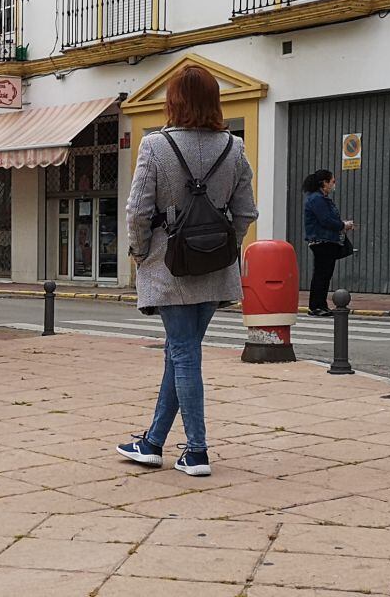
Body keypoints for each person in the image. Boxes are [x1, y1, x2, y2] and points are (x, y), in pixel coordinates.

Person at [118, 66, 257, 477]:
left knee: (183, 353)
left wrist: (140, 253)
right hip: (214, 267)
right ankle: (153, 442)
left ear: (174, 101)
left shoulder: (154, 146)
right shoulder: (234, 147)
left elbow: (138, 210)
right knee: (181, 352)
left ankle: (197, 451)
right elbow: (246, 211)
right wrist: (219, 244)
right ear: (215, 101)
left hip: (168, 265)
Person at [302, 169, 355, 317]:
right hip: (322, 241)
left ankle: (320, 305)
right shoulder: (317, 199)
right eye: (332, 181)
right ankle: (316, 306)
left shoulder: (320, 199)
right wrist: (343, 225)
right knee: (322, 274)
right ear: (324, 183)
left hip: (326, 240)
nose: (334, 184)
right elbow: (325, 220)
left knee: (324, 274)